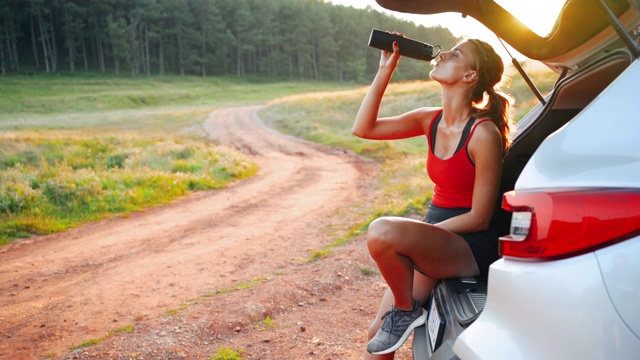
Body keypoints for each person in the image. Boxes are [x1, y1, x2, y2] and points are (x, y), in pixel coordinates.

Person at [352, 35, 514, 358]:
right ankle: (406, 310)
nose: (442, 55)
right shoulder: (431, 119)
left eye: (454, 54)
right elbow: (364, 128)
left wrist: (421, 237)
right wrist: (386, 70)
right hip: (433, 236)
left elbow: (480, 217)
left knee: (382, 232)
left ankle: (406, 308)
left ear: (470, 75)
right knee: (377, 335)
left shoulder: (483, 133)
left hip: (469, 242)